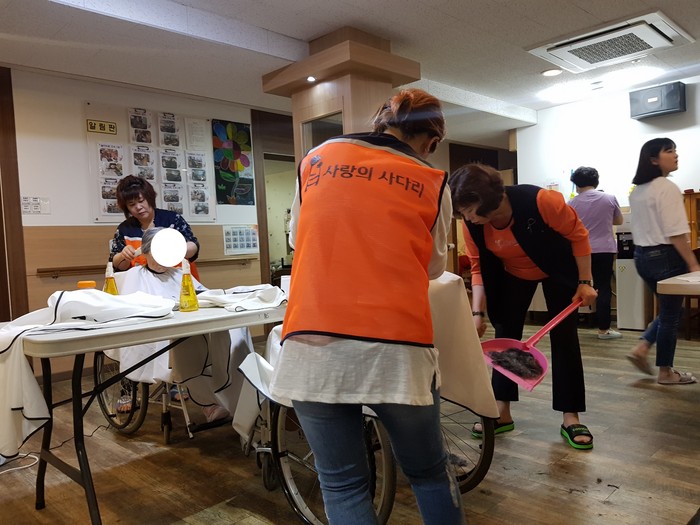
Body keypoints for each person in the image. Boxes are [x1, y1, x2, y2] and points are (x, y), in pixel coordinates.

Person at [269, 89, 465, 524]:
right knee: (429, 473)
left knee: (342, 483)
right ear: (431, 140)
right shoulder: (431, 179)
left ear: (381, 121)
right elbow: (434, 267)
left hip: (311, 341)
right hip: (398, 347)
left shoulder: (317, 158)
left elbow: (298, 238)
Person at [449, 163, 598, 450]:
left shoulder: (542, 201)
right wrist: (477, 313)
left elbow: (579, 235)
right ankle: (502, 410)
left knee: (565, 336)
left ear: (485, 201)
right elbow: (478, 267)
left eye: (468, 210)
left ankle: (570, 416)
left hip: (558, 269)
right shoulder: (473, 225)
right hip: (512, 274)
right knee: (505, 333)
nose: (466, 217)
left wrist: (584, 281)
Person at [114, 227, 236, 422]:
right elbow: (130, 310)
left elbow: (203, 295)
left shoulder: (179, 274)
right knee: (187, 349)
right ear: (145, 252)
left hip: (187, 328)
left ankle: (231, 399)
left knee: (224, 339)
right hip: (155, 333)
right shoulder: (134, 276)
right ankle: (209, 405)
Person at [625, 138, 699, 385]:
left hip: (642, 257)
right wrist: (693, 263)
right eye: (669, 151)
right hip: (666, 256)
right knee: (670, 315)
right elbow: (676, 232)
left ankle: (642, 348)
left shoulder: (637, 191)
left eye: (675, 150)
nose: (675, 155)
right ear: (653, 160)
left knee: (669, 311)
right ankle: (665, 372)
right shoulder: (667, 187)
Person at [568, 166, 624, 339]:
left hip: (579, 250)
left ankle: (570, 327)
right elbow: (619, 220)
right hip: (604, 249)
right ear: (596, 181)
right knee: (603, 287)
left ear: (576, 184)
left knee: (576, 286)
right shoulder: (609, 198)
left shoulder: (571, 203)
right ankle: (604, 330)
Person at [110, 175, 199, 272]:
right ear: (126, 208)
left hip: (179, 278)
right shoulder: (124, 229)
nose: (138, 207)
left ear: (150, 198)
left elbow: (193, 246)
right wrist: (124, 256)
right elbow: (117, 264)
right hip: (142, 280)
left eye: (141, 201)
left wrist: (176, 248)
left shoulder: (172, 220)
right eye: (132, 204)